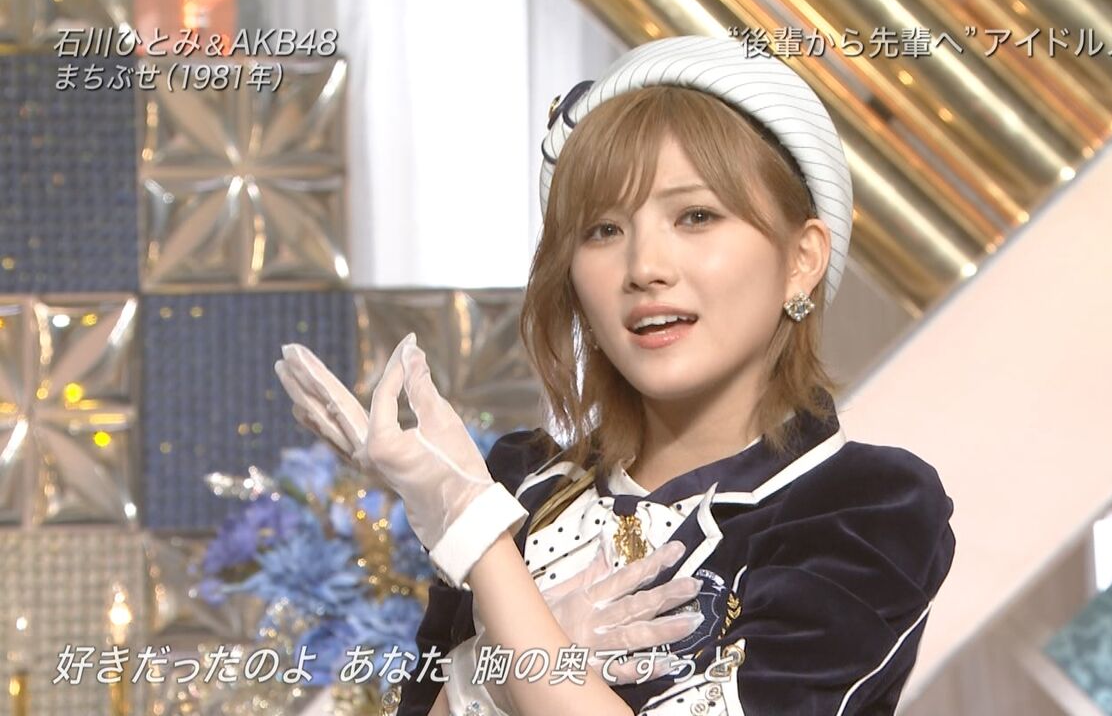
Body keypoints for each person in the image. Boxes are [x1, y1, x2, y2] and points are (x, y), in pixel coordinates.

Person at [275, 35, 956, 716]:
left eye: (696, 216)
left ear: (801, 259)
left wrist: (480, 545)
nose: (644, 268)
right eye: (603, 230)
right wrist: (488, 670)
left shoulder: (862, 507)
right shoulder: (520, 481)